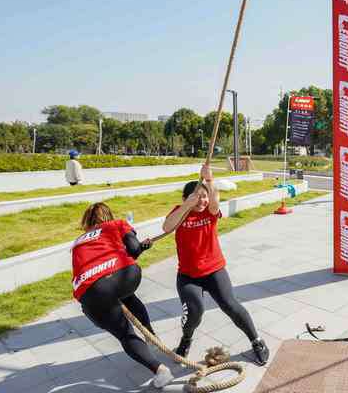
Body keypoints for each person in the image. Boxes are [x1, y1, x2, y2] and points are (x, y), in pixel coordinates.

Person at [163, 164, 270, 365]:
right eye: (197, 196)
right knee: (194, 311)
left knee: (230, 305)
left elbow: (214, 203)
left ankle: (256, 341)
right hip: (188, 275)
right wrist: (187, 205)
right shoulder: (181, 212)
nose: (202, 200)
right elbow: (167, 227)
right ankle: (186, 340)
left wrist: (209, 181)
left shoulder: (210, 212)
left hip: (214, 270)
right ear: (186, 198)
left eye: (204, 196)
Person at [71, 202, 173, 388]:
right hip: (124, 277)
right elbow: (133, 249)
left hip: (91, 292)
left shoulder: (78, 241)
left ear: (87, 221)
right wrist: (141, 247)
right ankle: (151, 335)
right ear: (108, 216)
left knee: (125, 334)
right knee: (127, 295)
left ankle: (160, 370)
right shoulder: (116, 224)